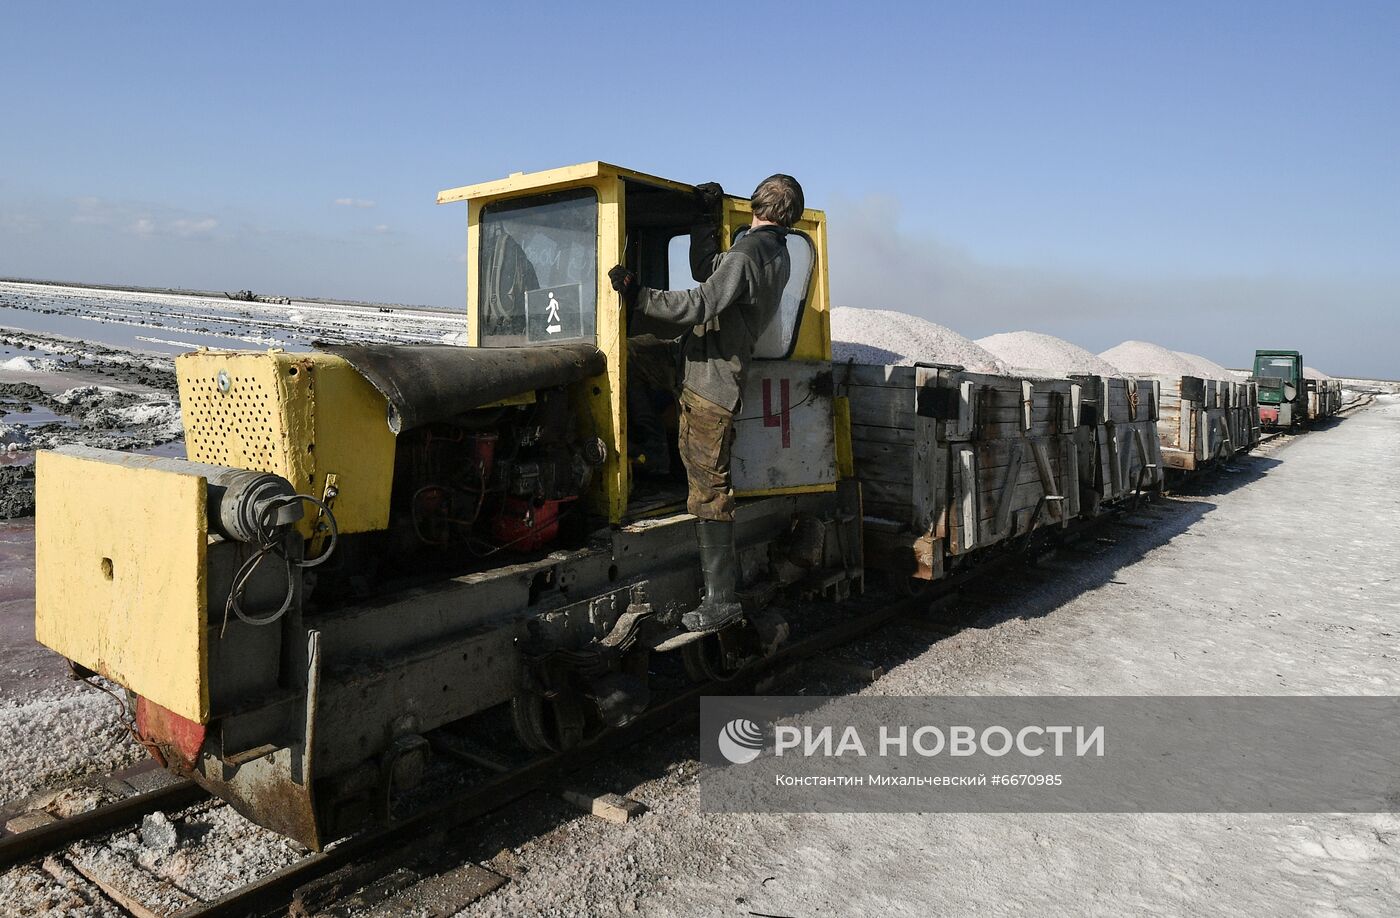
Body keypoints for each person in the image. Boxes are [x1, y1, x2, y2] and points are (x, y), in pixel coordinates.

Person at [609, 173, 804, 632]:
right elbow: (709, 270)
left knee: (710, 489)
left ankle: (722, 600)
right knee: (635, 353)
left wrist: (639, 294)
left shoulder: (751, 252)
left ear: (756, 204)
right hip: (694, 361)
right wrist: (702, 219)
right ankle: (654, 452)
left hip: (710, 381)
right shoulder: (773, 252)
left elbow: (700, 301)